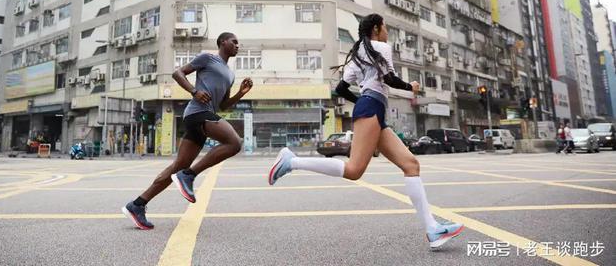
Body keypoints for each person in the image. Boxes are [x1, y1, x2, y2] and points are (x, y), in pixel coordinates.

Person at [268, 14, 464, 249]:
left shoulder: (358, 56)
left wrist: (362, 98)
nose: (387, 32)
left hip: (372, 108)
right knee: (354, 170)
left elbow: (341, 88)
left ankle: (432, 229)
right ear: (376, 28)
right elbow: (390, 79)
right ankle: (291, 162)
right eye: (385, 28)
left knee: (411, 165)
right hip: (371, 108)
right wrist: (409, 87)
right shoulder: (380, 47)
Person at [123, 32, 253, 230]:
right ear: (222, 42)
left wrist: (240, 94)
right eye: (234, 41)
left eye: (238, 42)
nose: (237, 45)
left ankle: (137, 204)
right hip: (197, 112)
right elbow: (178, 73)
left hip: (205, 115)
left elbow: (224, 105)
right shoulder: (208, 58)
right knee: (234, 143)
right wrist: (194, 91)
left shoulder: (230, 74)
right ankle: (189, 175)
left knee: (177, 166)